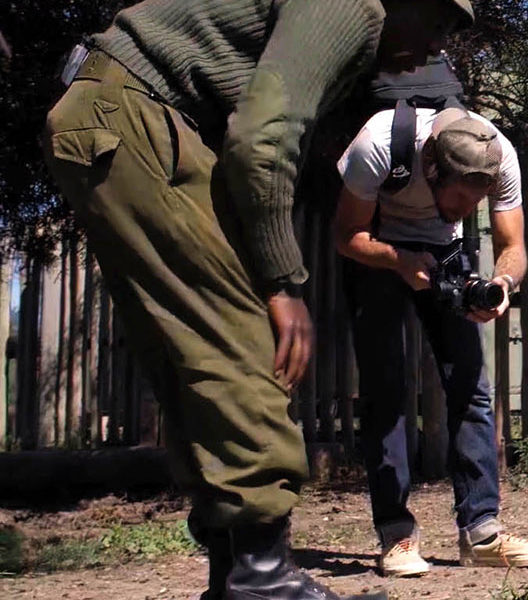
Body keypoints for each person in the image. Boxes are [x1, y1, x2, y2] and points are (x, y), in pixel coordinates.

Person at [41, 1, 474, 598]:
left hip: (109, 110)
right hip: (137, 112)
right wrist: (282, 282)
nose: (436, 46)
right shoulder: (355, 6)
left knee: (194, 350)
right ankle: (260, 577)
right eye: (440, 21)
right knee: (246, 342)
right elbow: (261, 141)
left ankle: (236, 573)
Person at [334, 106, 528, 577]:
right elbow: (345, 235)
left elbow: (512, 246)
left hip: (445, 255)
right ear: (431, 167)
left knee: (471, 389)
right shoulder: (377, 143)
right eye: (458, 199)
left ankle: (482, 533)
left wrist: (502, 284)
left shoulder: (498, 156)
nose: (466, 211)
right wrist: (399, 261)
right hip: (377, 249)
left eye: (476, 202)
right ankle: (396, 536)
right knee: (386, 391)